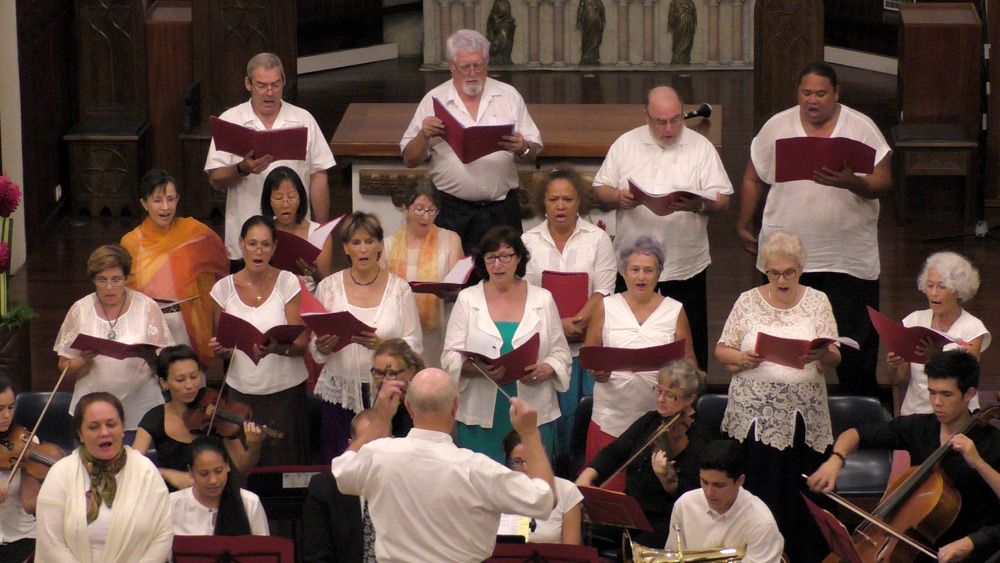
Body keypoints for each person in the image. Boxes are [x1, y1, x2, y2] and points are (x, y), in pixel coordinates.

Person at [737, 61, 892, 398]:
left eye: (821, 93)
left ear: (836, 94)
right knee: (785, 339)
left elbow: (883, 181)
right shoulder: (777, 126)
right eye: (806, 92)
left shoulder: (860, 127)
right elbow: (753, 176)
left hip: (847, 259)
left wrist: (853, 183)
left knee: (854, 344)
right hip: (787, 258)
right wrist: (743, 222)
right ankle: (785, 403)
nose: (813, 100)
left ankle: (860, 414)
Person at [331, 368, 557, 563]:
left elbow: (342, 471)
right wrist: (529, 433)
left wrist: (381, 417)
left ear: (408, 407)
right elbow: (544, 500)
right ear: (455, 407)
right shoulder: (477, 470)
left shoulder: (378, 455)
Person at [714, 230, 840, 563]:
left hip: (802, 420)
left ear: (801, 269)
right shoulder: (747, 300)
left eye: (789, 272)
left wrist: (821, 354)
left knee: (800, 500)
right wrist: (743, 359)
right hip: (755, 419)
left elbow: (834, 357)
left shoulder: (818, 301)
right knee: (762, 494)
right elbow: (722, 349)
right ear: (765, 270)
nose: (781, 279)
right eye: (773, 273)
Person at [808, 350, 1000, 563]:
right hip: (914, 546)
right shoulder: (919, 427)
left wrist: (979, 463)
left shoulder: (993, 442)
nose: (936, 402)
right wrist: (836, 459)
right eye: (931, 392)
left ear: (969, 394)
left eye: (946, 394)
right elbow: (855, 435)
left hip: (967, 550)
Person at [593, 86, 733, 371]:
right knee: (630, 345)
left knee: (686, 354)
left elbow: (723, 200)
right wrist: (619, 197)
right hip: (634, 268)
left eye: (676, 119)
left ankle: (689, 411)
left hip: (684, 267)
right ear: (646, 117)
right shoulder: (626, 143)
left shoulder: (700, 147)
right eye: (661, 121)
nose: (670, 128)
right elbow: (600, 190)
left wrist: (698, 205)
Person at [400, 29, 542, 254]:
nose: (473, 73)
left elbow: (532, 152)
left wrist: (523, 147)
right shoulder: (434, 100)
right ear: (451, 66)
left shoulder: (508, 95)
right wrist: (424, 135)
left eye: (479, 65)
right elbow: (409, 159)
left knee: (503, 278)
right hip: (451, 211)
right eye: (465, 67)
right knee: (452, 281)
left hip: (501, 211)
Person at [442, 225, 572, 462]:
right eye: (490, 257)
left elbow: (561, 352)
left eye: (505, 256)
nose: (497, 264)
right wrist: (477, 368)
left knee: (532, 484)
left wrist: (547, 368)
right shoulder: (468, 298)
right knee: (481, 485)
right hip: (480, 415)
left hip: (532, 408)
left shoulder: (542, 299)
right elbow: (449, 356)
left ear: (519, 258)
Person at [206, 52, 336, 271]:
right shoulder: (231, 120)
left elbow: (319, 175)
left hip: (294, 237)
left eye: (276, 85)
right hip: (247, 240)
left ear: (284, 81)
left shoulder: (303, 120)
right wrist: (241, 168)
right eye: (262, 85)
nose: (269, 93)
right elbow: (215, 179)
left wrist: (320, 232)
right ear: (248, 84)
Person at [582, 236, 696, 486]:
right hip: (611, 416)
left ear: (659, 274)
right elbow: (591, 355)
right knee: (607, 495)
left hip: (658, 421)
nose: (641, 277)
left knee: (647, 496)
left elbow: (690, 366)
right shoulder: (605, 306)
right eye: (634, 270)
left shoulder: (674, 309)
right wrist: (597, 371)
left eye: (648, 270)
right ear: (623, 272)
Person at [521, 167, 616, 462]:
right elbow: (526, 296)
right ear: (543, 203)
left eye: (567, 199)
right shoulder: (528, 242)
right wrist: (558, 326)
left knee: (583, 423)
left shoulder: (598, 239)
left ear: (579, 202)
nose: (560, 206)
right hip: (547, 346)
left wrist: (577, 322)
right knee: (552, 424)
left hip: (587, 341)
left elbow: (604, 291)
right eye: (553, 199)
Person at [311, 212, 422, 462]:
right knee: (342, 467)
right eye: (356, 242)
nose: (363, 249)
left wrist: (385, 347)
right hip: (341, 398)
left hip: (389, 397)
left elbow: (415, 344)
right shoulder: (328, 288)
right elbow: (314, 347)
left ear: (380, 245)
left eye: (369, 241)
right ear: (345, 247)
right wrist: (323, 346)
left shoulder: (400, 289)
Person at [209, 215, 311, 466]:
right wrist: (221, 351)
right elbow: (224, 350)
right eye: (252, 243)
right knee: (245, 467)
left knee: (285, 470)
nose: (258, 251)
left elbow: (301, 345)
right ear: (241, 244)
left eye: (265, 245)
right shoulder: (222, 289)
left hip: (285, 393)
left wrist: (278, 348)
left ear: (274, 248)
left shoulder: (288, 282)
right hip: (241, 392)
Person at [577, 360, 708, 547]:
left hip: (663, 521)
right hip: (631, 513)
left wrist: (665, 478)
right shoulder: (651, 420)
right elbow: (616, 451)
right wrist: (587, 475)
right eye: (659, 390)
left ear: (690, 399)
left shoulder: (698, 438)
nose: (661, 399)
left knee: (635, 549)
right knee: (581, 529)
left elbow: (690, 493)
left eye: (670, 396)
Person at [35, 392, 173, 562]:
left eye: (111, 424)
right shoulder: (60, 473)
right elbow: (51, 543)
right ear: (80, 434)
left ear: (122, 428)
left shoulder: (146, 471)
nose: (104, 432)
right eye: (94, 427)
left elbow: (162, 534)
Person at [54, 244, 175, 437]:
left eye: (116, 280)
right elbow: (64, 369)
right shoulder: (80, 310)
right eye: (102, 280)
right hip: (93, 413)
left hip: (141, 409)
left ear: (126, 279)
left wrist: (150, 357)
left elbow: (169, 367)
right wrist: (84, 358)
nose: (109, 287)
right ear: (93, 280)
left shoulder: (147, 307)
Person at [121, 168, 228, 367]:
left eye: (171, 199)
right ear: (144, 203)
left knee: (188, 381)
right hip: (148, 324)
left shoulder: (196, 233)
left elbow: (220, 266)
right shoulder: (131, 243)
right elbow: (126, 292)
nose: (165, 207)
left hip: (188, 323)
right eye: (157, 200)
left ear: (178, 200)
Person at [133, 344, 262, 490]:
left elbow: (242, 467)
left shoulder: (214, 412)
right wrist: (166, 473)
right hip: (174, 501)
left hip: (216, 495)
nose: (189, 385)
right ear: (164, 383)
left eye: (194, 377)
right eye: (180, 380)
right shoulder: (154, 418)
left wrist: (254, 448)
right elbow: (134, 467)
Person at [889, 251, 989, 416]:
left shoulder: (973, 328)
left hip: (955, 417)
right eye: (930, 285)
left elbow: (964, 377)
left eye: (942, 287)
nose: (934, 293)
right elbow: (896, 380)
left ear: (959, 291)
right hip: (914, 415)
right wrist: (893, 367)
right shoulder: (913, 321)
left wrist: (937, 356)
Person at [381, 178, 463, 368]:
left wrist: (451, 292)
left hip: (439, 326)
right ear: (405, 208)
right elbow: (381, 292)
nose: (426, 217)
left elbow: (457, 285)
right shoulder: (387, 245)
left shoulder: (450, 239)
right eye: (419, 209)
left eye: (432, 210)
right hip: (401, 332)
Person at [665, 440, 784, 562]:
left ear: (739, 481)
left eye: (719, 485)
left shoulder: (761, 523)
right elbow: (673, 556)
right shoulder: (685, 504)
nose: (709, 492)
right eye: (704, 482)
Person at [302, 409, 381, 563]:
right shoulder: (325, 488)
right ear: (351, 446)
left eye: (380, 444)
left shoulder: (404, 483)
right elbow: (316, 557)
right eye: (366, 445)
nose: (374, 453)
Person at [169, 435, 269, 536]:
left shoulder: (250, 502)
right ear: (191, 472)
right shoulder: (173, 504)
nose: (213, 480)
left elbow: (263, 548)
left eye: (218, 471)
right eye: (204, 474)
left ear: (227, 466)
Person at [261, 165, 335, 292]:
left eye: (291, 197)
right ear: (269, 201)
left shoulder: (319, 234)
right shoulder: (262, 232)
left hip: (309, 301)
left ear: (300, 198)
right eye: (278, 198)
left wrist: (314, 272)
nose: (285, 204)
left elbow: (327, 287)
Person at [502, 429, 582, 544]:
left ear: (542, 454)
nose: (525, 468)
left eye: (529, 459)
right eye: (517, 461)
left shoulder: (567, 490)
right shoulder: (500, 489)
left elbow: (572, 552)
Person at [0, 376, 40, 562]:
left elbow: (30, 503)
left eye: (11, 407)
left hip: (21, 538)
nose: (7, 416)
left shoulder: (27, 443)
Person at [369, 338, 424, 437]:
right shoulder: (377, 404)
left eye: (391, 373)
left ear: (410, 372)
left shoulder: (421, 406)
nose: (384, 381)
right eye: (378, 373)